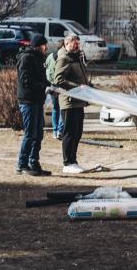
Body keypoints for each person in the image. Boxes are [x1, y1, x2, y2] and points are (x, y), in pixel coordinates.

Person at [53, 34, 91, 174]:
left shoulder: (76, 57)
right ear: (67, 43)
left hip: (79, 101)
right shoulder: (64, 58)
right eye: (74, 44)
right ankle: (67, 163)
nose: (77, 47)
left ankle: (73, 161)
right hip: (69, 102)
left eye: (78, 44)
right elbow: (58, 79)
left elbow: (81, 78)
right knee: (69, 133)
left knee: (77, 133)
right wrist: (77, 87)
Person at [16, 35, 51, 176]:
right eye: (44, 45)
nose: (46, 48)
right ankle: (22, 164)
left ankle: (34, 163)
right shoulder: (26, 58)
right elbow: (25, 80)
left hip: (38, 100)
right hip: (28, 101)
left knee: (38, 134)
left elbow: (41, 78)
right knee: (30, 134)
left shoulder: (40, 58)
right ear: (38, 45)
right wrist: (43, 87)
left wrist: (50, 86)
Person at [44, 42, 64, 139]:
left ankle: (55, 131)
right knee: (62, 108)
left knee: (55, 108)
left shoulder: (50, 56)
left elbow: (46, 68)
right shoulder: (63, 57)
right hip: (61, 86)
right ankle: (60, 130)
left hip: (52, 85)